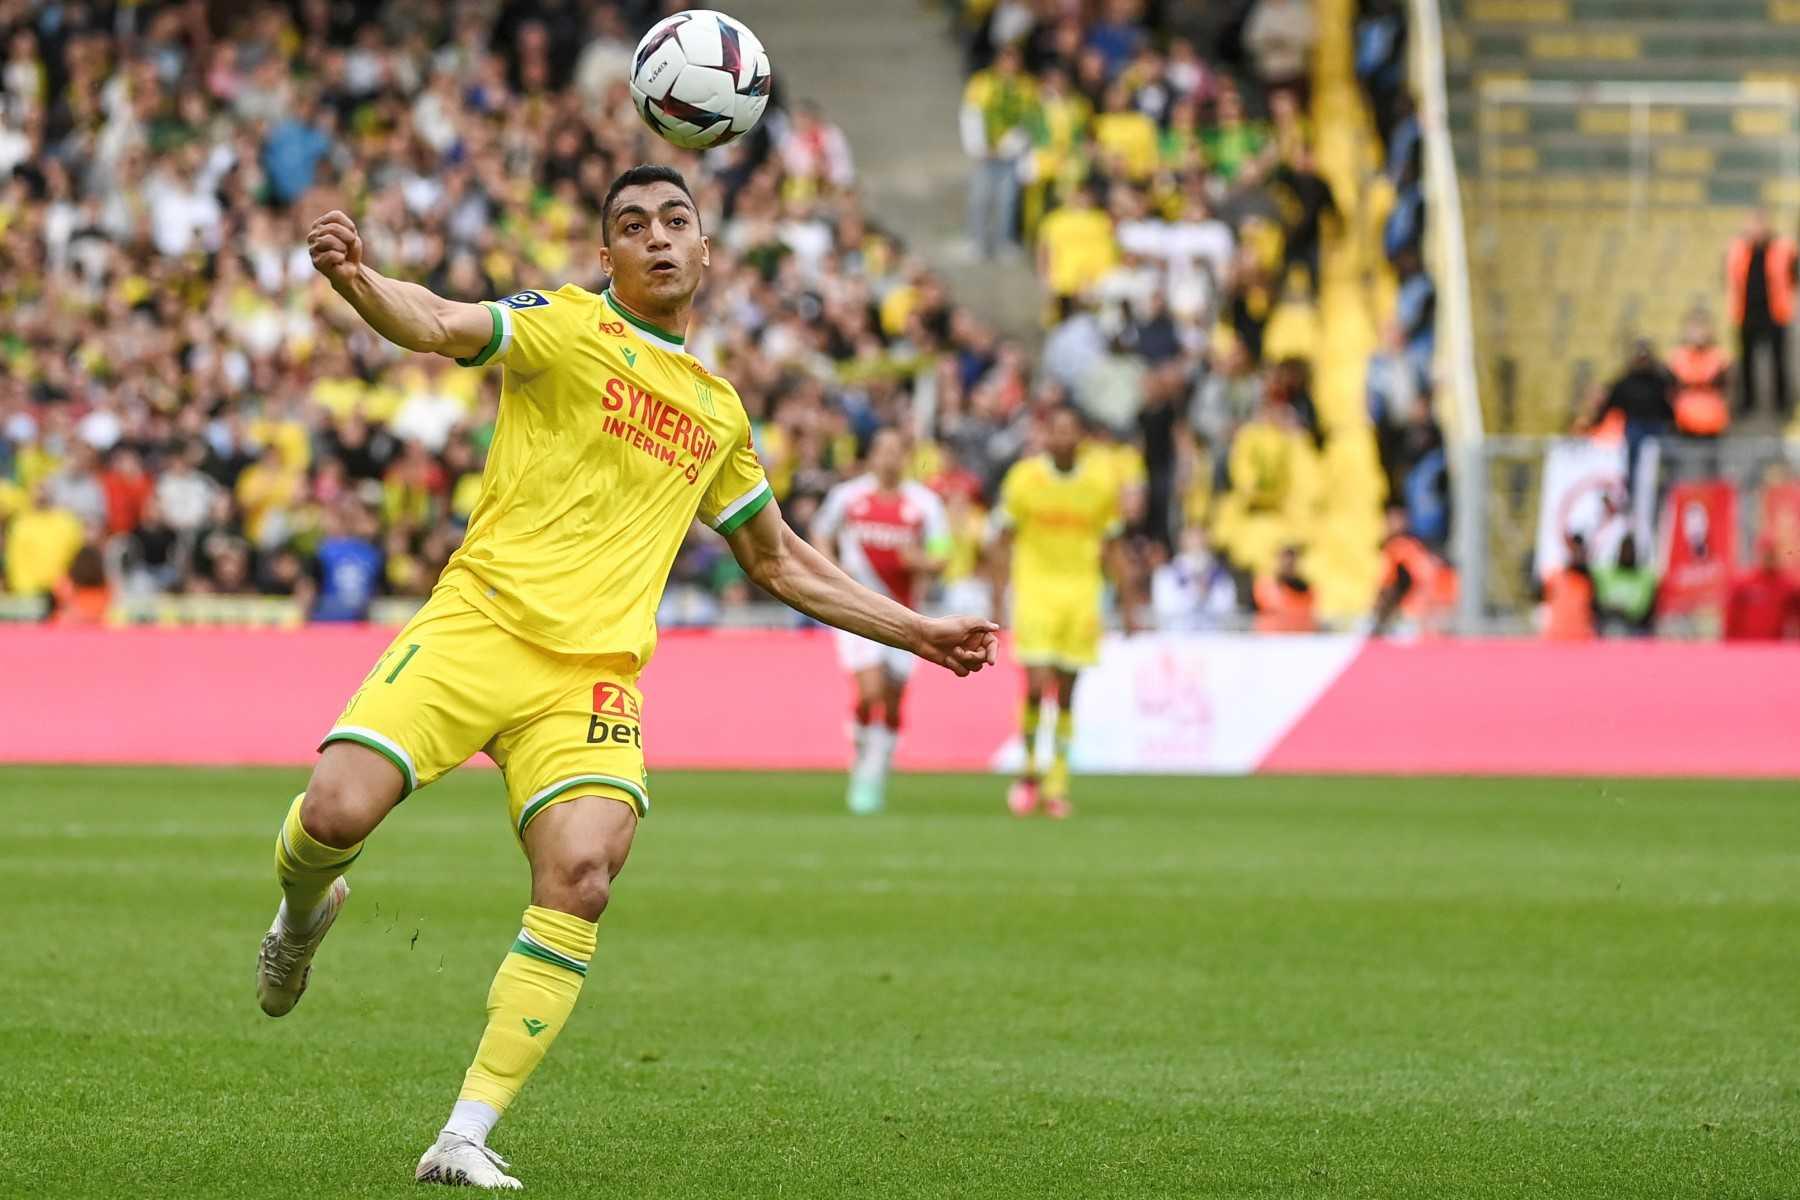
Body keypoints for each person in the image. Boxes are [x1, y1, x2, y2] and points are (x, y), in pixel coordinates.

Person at [258, 166, 1000, 1191]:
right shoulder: (561, 325)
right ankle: (299, 919)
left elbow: (777, 558)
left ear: (706, 251)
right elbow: (437, 320)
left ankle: (464, 1133)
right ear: (604, 257)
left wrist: (914, 630)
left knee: (584, 878)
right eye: (632, 226)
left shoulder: (718, 411)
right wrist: (357, 281)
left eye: (675, 222)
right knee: (335, 812)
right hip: (478, 626)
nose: (656, 238)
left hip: (594, 678)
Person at [990, 405, 1129, 819]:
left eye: (1072, 430)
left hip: (1082, 596)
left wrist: (1128, 602)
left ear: (1081, 438)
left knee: (1067, 694)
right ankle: (1030, 769)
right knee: (1035, 686)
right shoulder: (1024, 479)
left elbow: (1112, 545)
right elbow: (1002, 537)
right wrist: (998, 597)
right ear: (1046, 436)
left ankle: (1058, 780)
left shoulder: (1101, 482)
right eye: (1057, 430)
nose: (1064, 438)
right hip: (1035, 592)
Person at [809, 429, 952, 814]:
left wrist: (918, 561)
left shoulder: (925, 504)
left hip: (906, 615)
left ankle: (875, 768)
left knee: (891, 703)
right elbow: (820, 531)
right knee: (869, 691)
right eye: (882, 450)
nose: (889, 458)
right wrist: (831, 567)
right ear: (872, 456)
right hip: (857, 610)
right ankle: (864, 771)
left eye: (896, 451)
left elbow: (941, 556)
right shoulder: (848, 496)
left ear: (906, 456)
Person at [1724, 210, 1795, 420]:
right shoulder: (1737, 249)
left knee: (1779, 361)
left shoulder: (1782, 248)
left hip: (1775, 313)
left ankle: (1782, 405)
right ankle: (1747, 404)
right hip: (1746, 314)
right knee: (1746, 362)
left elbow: (1793, 276)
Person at [1583, 339, 1674, 498]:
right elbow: (1609, 405)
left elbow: (1667, 407)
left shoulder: (1659, 381)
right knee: (1633, 460)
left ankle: (1662, 491)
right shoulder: (1625, 382)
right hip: (1635, 427)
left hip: (1656, 427)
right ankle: (1631, 493)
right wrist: (1594, 423)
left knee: (1662, 461)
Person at [1666, 311, 1731, 439]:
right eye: (1694, 328)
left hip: (1714, 417)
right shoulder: (1676, 357)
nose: (1698, 332)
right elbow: (1670, 390)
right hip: (1684, 417)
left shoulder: (1720, 357)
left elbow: (1728, 389)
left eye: (1702, 327)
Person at [1723, 538, 1800, 640]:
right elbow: (1731, 616)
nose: (1769, 558)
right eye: (1766, 553)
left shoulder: (1787, 585)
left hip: (1775, 648)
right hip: (1745, 647)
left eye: (1772, 554)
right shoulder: (1744, 584)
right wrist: (1729, 642)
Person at [1591, 533, 1658, 637]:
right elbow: (1599, 603)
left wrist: (1623, 609)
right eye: (1624, 549)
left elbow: (1643, 610)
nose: (1627, 553)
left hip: (1634, 627)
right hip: (1609, 623)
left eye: (1630, 550)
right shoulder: (1605, 574)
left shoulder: (1646, 577)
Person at [1539, 532, 1597, 640]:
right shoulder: (1555, 576)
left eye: (1581, 552)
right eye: (1575, 551)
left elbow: (1593, 611)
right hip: (1555, 639)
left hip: (1582, 640)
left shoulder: (1589, 581)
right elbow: (1540, 597)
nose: (1578, 556)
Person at [1252, 543, 1315, 632]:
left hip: (1300, 638)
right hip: (1271, 638)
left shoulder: (1306, 588)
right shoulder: (1266, 585)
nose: (1287, 565)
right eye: (1284, 560)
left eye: (1291, 562)